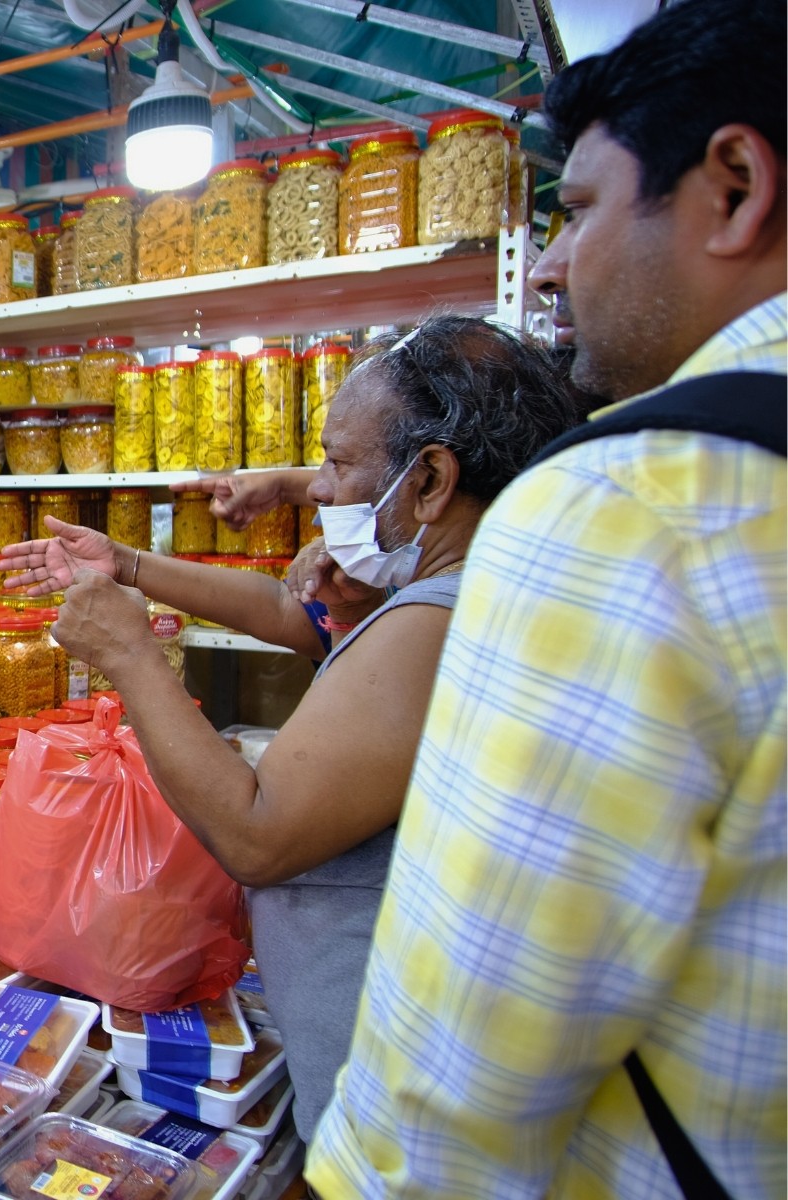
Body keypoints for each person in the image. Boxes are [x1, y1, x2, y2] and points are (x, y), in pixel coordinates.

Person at [308, 2, 785, 1196]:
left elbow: (469, 1050)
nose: (557, 264)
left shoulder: (632, 506)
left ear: (733, 185)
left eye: (576, 210)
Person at [0, 316, 587, 1140]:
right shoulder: (470, 584)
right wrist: (126, 564)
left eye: (339, 464)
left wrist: (129, 655)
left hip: (393, 1099)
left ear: (430, 481)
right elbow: (294, 612)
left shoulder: (435, 623)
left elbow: (258, 834)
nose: (316, 489)